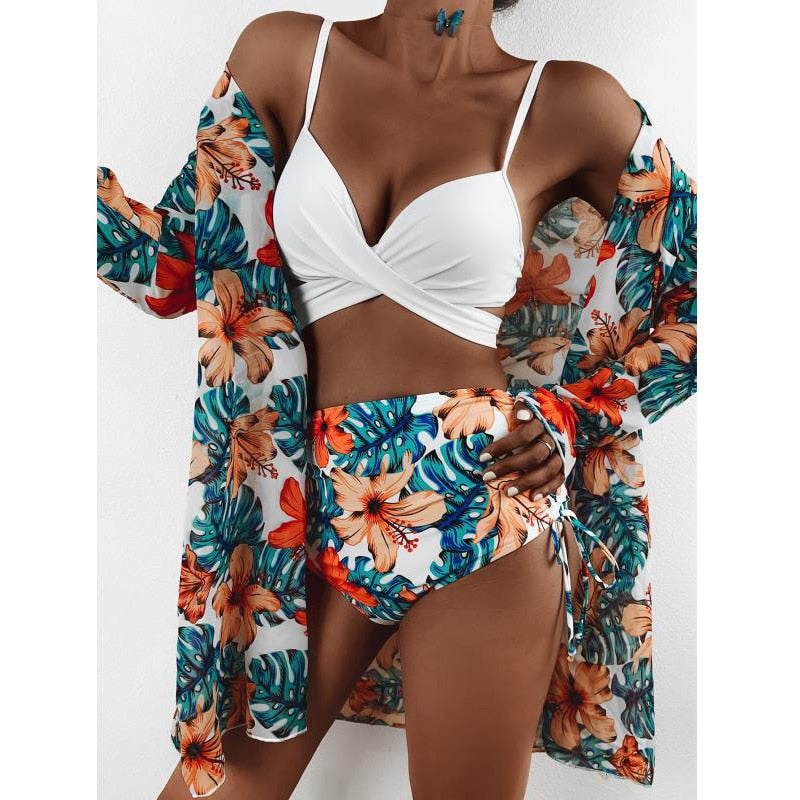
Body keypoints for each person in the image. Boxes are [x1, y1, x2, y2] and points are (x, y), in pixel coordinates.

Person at [97, 1, 696, 798]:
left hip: (484, 502)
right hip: (301, 507)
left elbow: (702, 292)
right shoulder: (285, 56)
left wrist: (573, 418)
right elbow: (172, 264)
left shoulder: (571, 103)